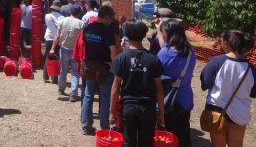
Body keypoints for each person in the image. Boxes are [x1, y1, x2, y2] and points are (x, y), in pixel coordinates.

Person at [110, 19, 165, 147]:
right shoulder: (153, 59)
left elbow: (115, 87)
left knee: (129, 141)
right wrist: (161, 112)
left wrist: (112, 111)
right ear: (144, 35)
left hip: (128, 107)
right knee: (146, 142)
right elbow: (159, 89)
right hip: (148, 107)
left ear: (127, 36)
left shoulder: (121, 59)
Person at [200, 30, 256, 147]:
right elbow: (253, 93)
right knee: (236, 144)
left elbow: (205, 83)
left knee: (217, 144)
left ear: (227, 42)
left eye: (221, 40)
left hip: (216, 109)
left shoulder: (217, 61)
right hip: (240, 112)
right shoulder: (251, 69)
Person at [156, 18, 196, 146]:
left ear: (169, 33)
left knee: (168, 136)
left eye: (163, 32)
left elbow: (155, 72)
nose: (162, 35)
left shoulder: (165, 53)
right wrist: (158, 29)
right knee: (183, 133)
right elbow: (165, 46)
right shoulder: (190, 51)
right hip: (185, 99)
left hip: (168, 100)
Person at [81, 5, 120, 135]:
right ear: (107, 17)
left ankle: (86, 126)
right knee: (104, 98)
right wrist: (114, 68)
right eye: (111, 19)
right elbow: (113, 51)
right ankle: (104, 127)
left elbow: (85, 45)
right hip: (104, 68)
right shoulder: (106, 31)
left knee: (88, 96)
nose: (112, 21)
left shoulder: (87, 28)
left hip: (89, 66)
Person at [50, 5, 84, 101]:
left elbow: (57, 35)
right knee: (75, 73)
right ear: (79, 13)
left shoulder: (63, 21)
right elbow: (83, 40)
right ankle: (73, 93)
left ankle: (61, 88)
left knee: (63, 70)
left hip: (64, 49)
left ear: (70, 12)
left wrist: (53, 48)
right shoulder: (81, 24)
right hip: (75, 51)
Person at [43, 0, 64, 83]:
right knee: (56, 58)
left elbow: (47, 25)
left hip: (48, 38)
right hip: (58, 38)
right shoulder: (63, 18)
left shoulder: (47, 16)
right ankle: (54, 78)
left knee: (48, 56)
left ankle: (45, 76)